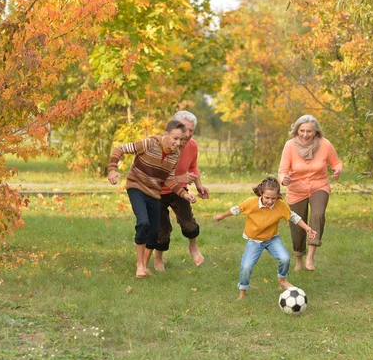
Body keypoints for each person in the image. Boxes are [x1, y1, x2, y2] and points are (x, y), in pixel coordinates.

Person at [107, 120, 196, 279]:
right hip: (137, 187)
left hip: (155, 193)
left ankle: (144, 266)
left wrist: (184, 194)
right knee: (143, 222)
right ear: (166, 134)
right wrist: (112, 170)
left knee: (155, 232)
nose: (178, 143)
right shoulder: (148, 144)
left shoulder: (175, 155)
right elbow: (119, 149)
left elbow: (169, 179)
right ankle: (140, 264)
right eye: (175, 138)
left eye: (181, 140)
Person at [213, 177, 317, 300]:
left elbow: (293, 217)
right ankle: (242, 293)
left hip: (272, 239)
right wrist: (221, 216)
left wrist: (307, 228)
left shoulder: (280, 205)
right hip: (255, 241)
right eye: (267, 198)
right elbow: (236, 210)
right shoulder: (251, 202)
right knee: (246, 266)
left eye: (273, 198)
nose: (270, 201)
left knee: (285, 258)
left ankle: (282, 279)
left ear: (277, 196)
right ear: (261, 193)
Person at [277, 115, 343, 271]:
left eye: (309, 132)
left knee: (317, 215)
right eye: (302, 131)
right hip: (296, 189)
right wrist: (283, 180)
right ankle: (299, 257)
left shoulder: (325, 144)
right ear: (296, 130)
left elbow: (336, 162)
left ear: (316, 132)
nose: (305, 135)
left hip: (319, 186)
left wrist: (337, 170)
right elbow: (282, 171)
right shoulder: (290, 146)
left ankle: (310, 256)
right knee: (297, 225)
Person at [153, 111, 209, 271]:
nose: (188, 134)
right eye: (185, 129)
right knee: (162, 229)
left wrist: (199, 184)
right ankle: (158, 259)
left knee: (189, 224)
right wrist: (179, 178)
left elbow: (193, 167)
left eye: (192, 130)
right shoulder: (160, 145)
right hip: (157, 192)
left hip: (180, 191)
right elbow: (154, 175)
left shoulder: (193, 146)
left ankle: (193, 247)